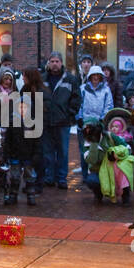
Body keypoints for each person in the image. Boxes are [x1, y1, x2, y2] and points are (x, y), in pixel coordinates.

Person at [2, 68, 44, 206]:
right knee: (14, 175)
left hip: (28, 155)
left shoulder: (33, 124)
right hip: (15, 154)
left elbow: (37, 141)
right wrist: (6, 153)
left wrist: (37, 154)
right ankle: (13, 194)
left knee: (30, 175)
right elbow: (8, 140)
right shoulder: (12, 123)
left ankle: (31, 195)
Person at [40, 52, 79, 187]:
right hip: (46, 121)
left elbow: (76, 98)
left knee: (63, 151)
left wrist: (70, 113)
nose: (55, 64)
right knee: (48, 152)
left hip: (63, 121)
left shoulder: (70, 79)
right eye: (52, 61)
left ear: (61, 63)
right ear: (49, 64)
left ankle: (62, 178)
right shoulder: (42, 79)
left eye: (57, 61)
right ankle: (49, 177)